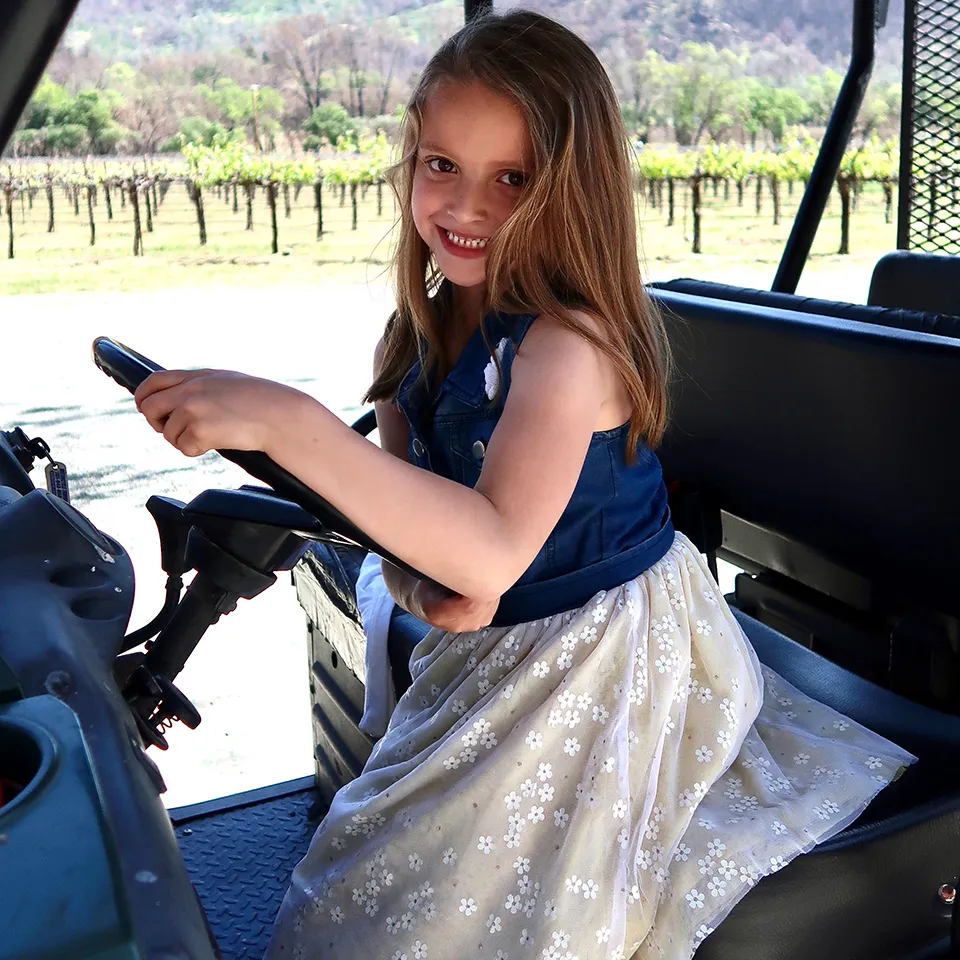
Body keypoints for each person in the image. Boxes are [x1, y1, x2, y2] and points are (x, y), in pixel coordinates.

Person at [134, 11, 915, 959]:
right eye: (440, 166)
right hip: (496, 640)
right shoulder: (415, 338)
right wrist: (418, 581)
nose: (464, 207)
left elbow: (497, 544)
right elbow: (424, 527)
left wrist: (291, 423)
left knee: (443, 913)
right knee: (360, 866)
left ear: (571, 191)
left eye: (511, 179)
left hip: (600, 643)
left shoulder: (570, 347)